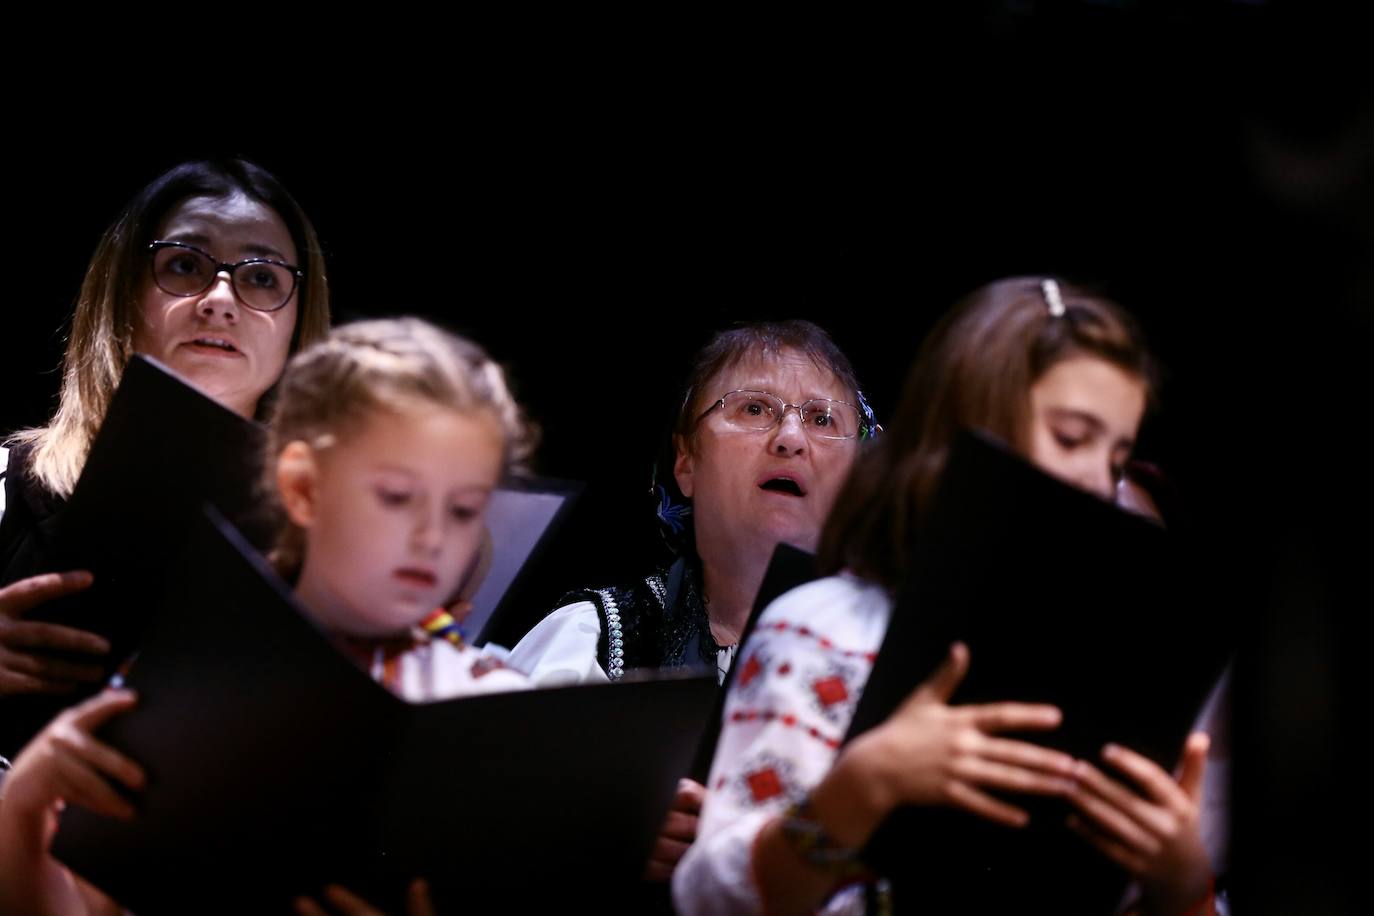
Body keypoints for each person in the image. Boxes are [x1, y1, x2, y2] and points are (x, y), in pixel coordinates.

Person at [675, 277, 1218, 916]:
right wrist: (861, 789)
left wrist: (1184, 888)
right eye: (1072, 438)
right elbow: (711, 897)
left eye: (1117, 457)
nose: (1098, 481)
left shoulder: (1125, 666)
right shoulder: (824, 631)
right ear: (974, 425)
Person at [0, 318, 533, 915]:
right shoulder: (190, 673)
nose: (434, 537)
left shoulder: (495, 707)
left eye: (464, 510)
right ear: (303, 487)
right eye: (395, 497)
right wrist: (24, 802)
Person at [0, 159, 331, 739]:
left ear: (298, 321)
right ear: (123, 294)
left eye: (261, 277)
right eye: (184, 265)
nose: (221, 300)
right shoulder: (4, 483)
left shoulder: (338, 549)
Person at [509, 320, 877, 688]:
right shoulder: (587, 647)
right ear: (686, 461)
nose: (792, 438)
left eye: (822, 418)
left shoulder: (895, 656)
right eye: (754, 409)